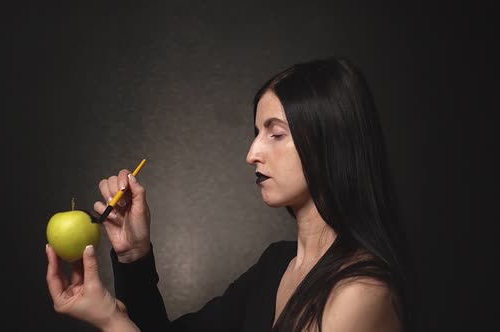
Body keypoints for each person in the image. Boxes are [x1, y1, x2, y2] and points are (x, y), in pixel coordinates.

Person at [46, 56, 413, 331]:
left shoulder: (360, 293)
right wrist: (134, 255)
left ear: (329, 141)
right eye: (256, 132)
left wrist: (112, 320)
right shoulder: (277, 266)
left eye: (276, 133)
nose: (252, 153)